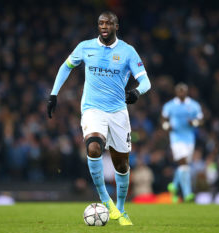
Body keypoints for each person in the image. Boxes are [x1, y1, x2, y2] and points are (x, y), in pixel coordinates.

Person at [47, 11, 151, 225]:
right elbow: (66, 67)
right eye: (101, 23)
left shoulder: (127, 51)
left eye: (108, 23)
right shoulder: (85, 47)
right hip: (92, 109)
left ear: (116, 26)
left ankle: (120, 209)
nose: (104, 26)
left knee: (121, 165)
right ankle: (106, 201)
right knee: (93, 148)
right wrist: (54, 93)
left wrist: (136, 92)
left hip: (118, 112)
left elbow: (146, 82)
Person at [161, 83, 203, 203]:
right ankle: (187, 193)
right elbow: (163, 118)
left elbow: (201, 119)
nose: (181, 93)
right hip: (176, 138)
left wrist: (194, 123)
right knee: (183, 162)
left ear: (186, 91)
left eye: (183, 91)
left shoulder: (194, 105)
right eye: (179, 91)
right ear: (176, 92)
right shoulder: (170, 105)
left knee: (184, 166)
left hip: (189, 139)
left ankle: (174, 185)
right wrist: (166, 126)